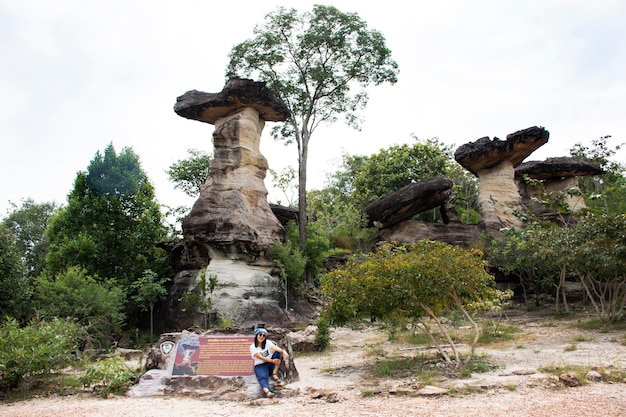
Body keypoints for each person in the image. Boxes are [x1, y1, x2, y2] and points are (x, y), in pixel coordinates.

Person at [250, 327, 289, 398]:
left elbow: (275, 348)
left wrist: (283, 351)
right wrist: (272, 361)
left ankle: (274, 374)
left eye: (264, 335)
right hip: (260, 365)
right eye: (260, 334)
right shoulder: (253, 347)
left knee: (278, 353)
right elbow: (260, 357)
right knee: (263, 377)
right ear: (256, 335)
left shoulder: (267, 343)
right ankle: (267, 391)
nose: (261, 337)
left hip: (270, 364)